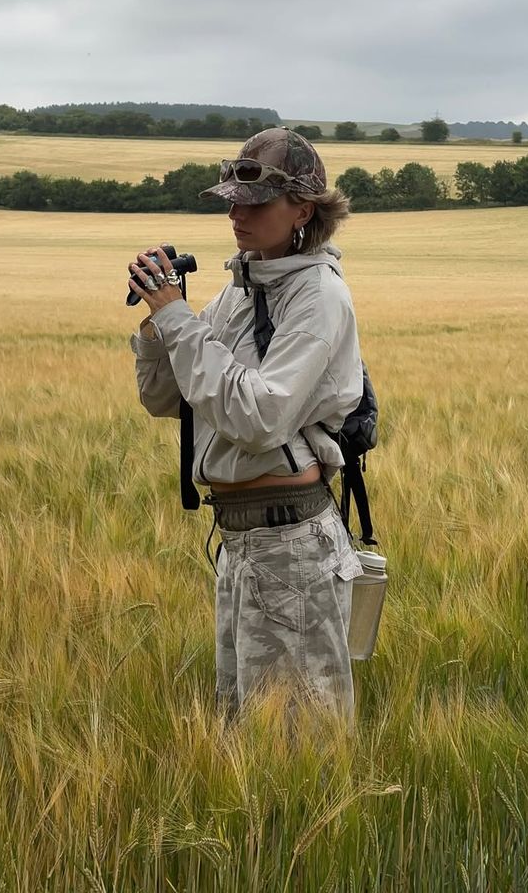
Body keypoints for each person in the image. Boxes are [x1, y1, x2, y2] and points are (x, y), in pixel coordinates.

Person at [128, 126, 365, 725]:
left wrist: (178, 320)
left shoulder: (317, 297)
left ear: (303, 211)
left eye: (256, 203)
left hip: (291, 548)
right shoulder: (239, 291)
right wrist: (158, 323)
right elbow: (168, 399)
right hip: (242, 544)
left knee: (296, 743)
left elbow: (258, 417)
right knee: (245, 737)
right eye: (232, 201)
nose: (237, 214)